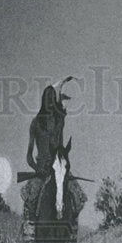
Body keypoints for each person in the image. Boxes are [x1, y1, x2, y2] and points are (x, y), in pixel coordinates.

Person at [20, 78, 87, 234]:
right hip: (42, 169)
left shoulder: (59, 122)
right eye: (47, 98)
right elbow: (29, 156)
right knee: (31, 197)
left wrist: (63, 167)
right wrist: (37, 168)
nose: (50, 102)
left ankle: (72, 229)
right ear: (43, 100)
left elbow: (61, 149)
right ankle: (30, 235)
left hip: (58, 169)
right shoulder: (36, 123)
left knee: (78, 196)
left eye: (52, 98)